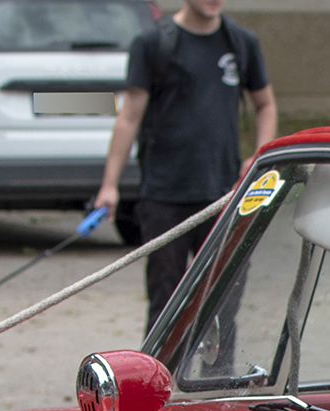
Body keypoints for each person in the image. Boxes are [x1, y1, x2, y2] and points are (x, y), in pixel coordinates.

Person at [94, 0, 276, 334]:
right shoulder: (152, 44)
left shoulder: (240, 42)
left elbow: (265, 104)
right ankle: (160, 380)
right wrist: (110, 185)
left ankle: (216, 382)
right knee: (166, 304)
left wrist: (260, 153)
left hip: (224, 196)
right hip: (165, 195)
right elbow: (129, 116)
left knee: (222, 304)